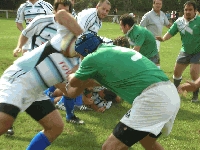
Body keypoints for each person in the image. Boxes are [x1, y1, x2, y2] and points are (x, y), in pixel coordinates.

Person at [65, 32, 180, 150]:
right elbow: (78, 90)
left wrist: (68, 75)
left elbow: (73, 82)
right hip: (170, 93)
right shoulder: (113, 49)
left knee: (110, 147)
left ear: (85, 51)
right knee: (147, 142)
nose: (81, 59)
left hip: (154, 98)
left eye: (80, 55)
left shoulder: (91, 58)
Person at [0, 4, 84, 150]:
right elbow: (61, 14)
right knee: (4, 122)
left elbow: (70, 92)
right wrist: (83, 38)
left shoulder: (81, 65)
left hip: (35, 91)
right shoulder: (67, 35)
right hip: (19, 79)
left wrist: (88, 82)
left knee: (55, 127)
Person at [156, 1, 200, 102]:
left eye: (190, 10)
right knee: (176, 72)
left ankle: (195, 95)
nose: (188, 12)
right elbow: (171, 32)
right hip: (185, 51)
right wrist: (163, 39)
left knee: (194, 72)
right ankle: (174, 92)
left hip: (198, 51)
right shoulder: (179, 22)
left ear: (195, 11)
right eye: (186, 10)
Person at [140, 0, 171, 68]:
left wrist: (176, 29)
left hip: (158, 40)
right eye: (157, 3)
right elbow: (140, 28)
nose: (158, 5)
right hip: (149, 41)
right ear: (153, 4)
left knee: (153, 59)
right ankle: (156, 74)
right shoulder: (148, 15)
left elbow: (168, 24)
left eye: (160, 4)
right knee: (154, 58)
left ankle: (151, 73)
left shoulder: (162, 14)